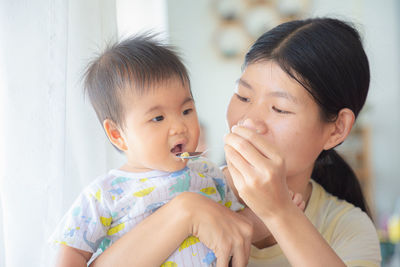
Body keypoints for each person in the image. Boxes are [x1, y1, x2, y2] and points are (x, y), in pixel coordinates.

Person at [89, 17, 382, 267]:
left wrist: (279, 211)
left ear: (337, 129)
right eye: (243, 97)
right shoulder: (173, 187)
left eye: (279, 109)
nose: (249, 121)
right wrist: (185, 211)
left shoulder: (347, 227)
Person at [49, 33, 306, 267]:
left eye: (186, 111)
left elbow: (238, 227)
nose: (179, 127)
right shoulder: (104, 195)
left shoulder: (208, 173)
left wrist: (276, 213)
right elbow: (70, 254)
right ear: (118, 134)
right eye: (158, 118)